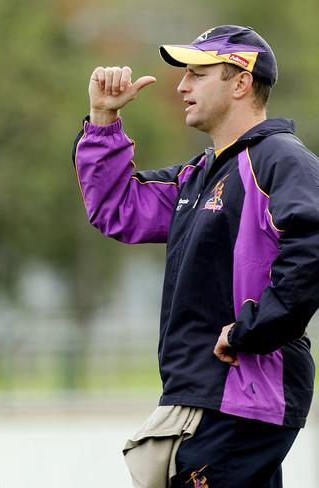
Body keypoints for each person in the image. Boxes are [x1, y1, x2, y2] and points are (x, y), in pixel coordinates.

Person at [73, 25, 319, 487]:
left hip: (240, 396)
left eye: (197, 74)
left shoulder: (280, 159)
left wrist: (253, 331)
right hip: (208, 396)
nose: (182, 86)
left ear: (241, 82)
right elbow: (118, 209)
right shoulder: (200, 173)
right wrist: (102, 119)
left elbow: (311, 251)